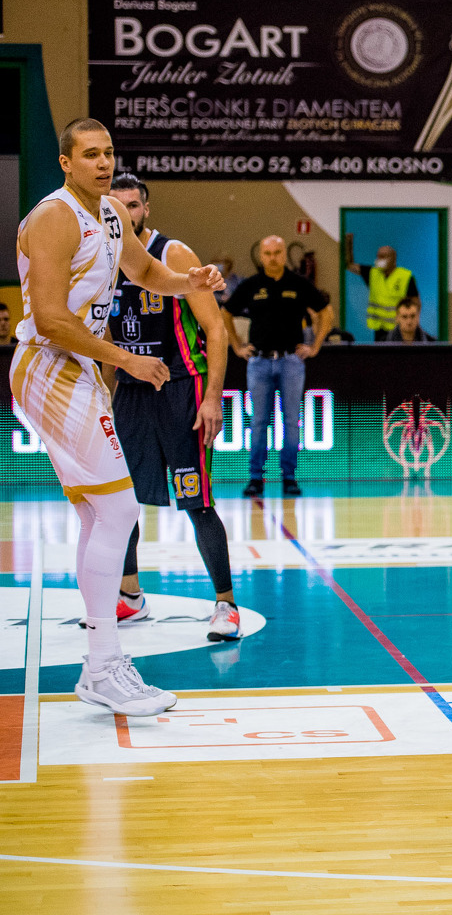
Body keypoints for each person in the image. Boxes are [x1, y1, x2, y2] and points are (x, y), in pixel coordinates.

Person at [12, 118, 223, 715]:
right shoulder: (54, 217)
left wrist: (189, 281)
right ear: (65, 162)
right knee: (120, 510)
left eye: (108, 152)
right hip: (49, 366)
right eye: (90, 154)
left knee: (97, 514)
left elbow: (147, 273)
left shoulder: (108, 212)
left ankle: (100, 664)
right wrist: (126, 359)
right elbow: (50, 318)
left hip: (78, 367)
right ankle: (103, 665)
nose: (103, 163)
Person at [105, 173, 239, 641]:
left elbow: (216, 330)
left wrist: (212, 397)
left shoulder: (173, 254)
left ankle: (226, 604)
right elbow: (106, 339)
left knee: (197, 501)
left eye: (133, 205)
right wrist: (103, 395)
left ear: (146, 209)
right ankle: (130, 596)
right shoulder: (101, 257)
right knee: (120, 501)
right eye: (116, 205)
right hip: (131, 392)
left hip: (181, 388)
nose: (125, 213)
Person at [221, 235, 332, 498]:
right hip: (259, 361)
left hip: (291, 361)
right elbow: (225, 312)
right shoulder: (251, 285)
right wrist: (237, 346)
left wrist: (315, 345)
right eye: (268, 253)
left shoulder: (299, 283)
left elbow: (326, 312)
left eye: (278, 252)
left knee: (292, 421)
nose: (273, 258)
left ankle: (289, 477)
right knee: (259, 421)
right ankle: (256, 478)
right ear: (261, 256)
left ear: (284, 254)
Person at [346, 243, 417, 337]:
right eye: (378, 256)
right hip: (379, 329)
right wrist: (348, 243)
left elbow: (416, 303)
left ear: (393, 258)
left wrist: (411, 325)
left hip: (399, 329)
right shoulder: (372, 273)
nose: (379, 259)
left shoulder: (405, 277)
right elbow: (349, 265)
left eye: (383, 257)